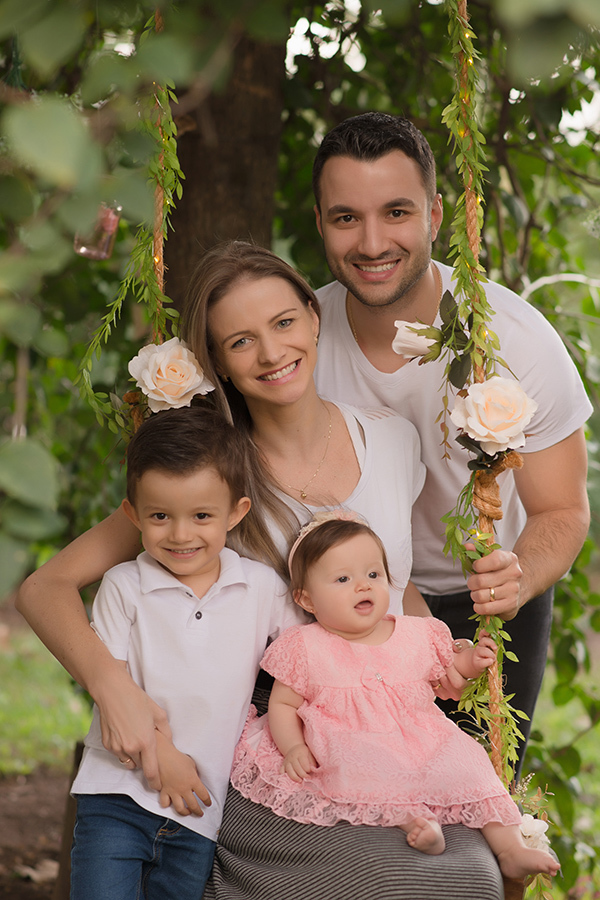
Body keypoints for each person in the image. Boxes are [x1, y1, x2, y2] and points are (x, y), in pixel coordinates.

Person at [16, 243, 506, 899]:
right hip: (284, 733)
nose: (272, 353)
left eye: (282, 323)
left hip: (390, 724)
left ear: (313, 316)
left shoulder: (390, 438)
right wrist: (113, 688)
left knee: (473, 875)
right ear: (216, 360)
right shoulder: (210, 477)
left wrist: (437, 657)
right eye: (240, 341)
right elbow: (43, 588)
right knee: (390, 881)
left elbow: (391, 585)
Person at [311, 112, 592, 773]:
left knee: (488, 810)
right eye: (346, 216)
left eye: (397, 211)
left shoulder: (518, 342)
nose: (373, 241)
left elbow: (562, 511)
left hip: (488, 599)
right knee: (363, 805)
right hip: (343, 603)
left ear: (437, 213)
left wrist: (517, 578)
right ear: (321, 222)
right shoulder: (297, 340)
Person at [230, 513, 560, 882]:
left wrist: (472, 660)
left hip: (425, 739)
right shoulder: (305, 646)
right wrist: (292, 747)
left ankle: (512, 849)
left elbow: (449, 665)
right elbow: (283, 704)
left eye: (373, 575)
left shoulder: (415, 633)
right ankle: (417, 824)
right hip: (354, 739)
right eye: (342, 579)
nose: (362, 586)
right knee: (367, 766)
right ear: (306, 598)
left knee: (472, 766)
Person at [69, 405, 306, 900]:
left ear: (236, 513)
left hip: (200, 811)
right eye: (160, 516)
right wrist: (163, 754)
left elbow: (308, 661)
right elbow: (113, 691)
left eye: (201, 516)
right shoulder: (123, 586)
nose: (180, 534)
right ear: (132, 514)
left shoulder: (262, 589)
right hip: (117, 798)